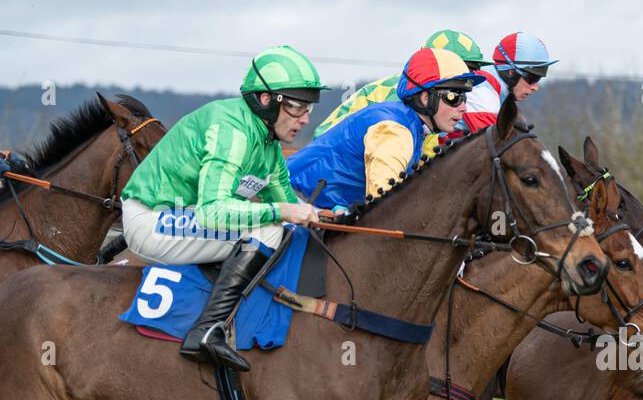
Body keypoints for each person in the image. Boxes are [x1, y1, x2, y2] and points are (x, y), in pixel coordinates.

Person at [120, 45, 329, 371]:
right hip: (152, 220)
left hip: (183, 220)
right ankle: (207, 331)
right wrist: (283, 212)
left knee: (284, 226)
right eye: (297, 106)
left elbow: (291, 203)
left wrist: (333, 215)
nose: (305, 119)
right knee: (271, 227)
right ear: (265, 100)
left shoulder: (269, 144)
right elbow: (213, 213)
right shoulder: (232, 129)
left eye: (308, 109)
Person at [288, 47, 478, 210]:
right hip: (293, 199)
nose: (463, 107)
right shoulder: (395, 130)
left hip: (319, 204)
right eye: (454, 96)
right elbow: (383, 207)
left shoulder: (415, 128)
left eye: (464, 97)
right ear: (425, 98)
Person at [314, 30, 487, 154]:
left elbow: (424, 154)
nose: (469, 79)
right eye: (465, 69)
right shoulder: (402, 96)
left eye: (474, 71)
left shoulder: (432, 100)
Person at [459, 31, 556, 133]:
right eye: (533, 78)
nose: (535, 87)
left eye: (539, 79)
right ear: (511, 72)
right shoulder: (482, 88)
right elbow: (498, 143)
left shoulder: (502, 93)